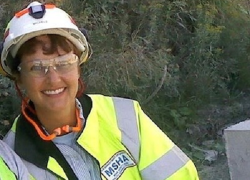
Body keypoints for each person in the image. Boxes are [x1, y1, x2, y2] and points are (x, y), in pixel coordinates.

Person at [0, 1, 199, 180]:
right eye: (36, 67)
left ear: (79, 67)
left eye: (64, 63)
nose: (53, 79)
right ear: (19, 78)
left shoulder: (126, 117)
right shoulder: (11, 159)